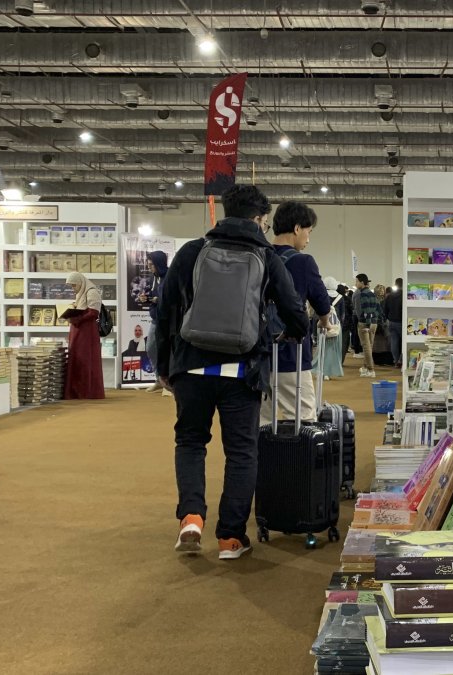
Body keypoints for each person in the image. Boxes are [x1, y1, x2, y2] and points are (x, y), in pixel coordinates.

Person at [156, 183, 307, 560]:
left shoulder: (193, 251)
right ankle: (230, 537)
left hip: (190, 367)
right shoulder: (266, 256)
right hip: (243, 369)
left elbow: (166, 312)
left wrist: (164, 367)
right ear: (261, 218)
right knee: (242, 452)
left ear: (225, 211)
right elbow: (295, 313)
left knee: (191, 443)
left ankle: (191, 516)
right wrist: (287, 332)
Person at [264, 201, 332, 425]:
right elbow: (322, 302)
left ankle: (264, 462)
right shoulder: (303, 262)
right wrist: (326, 322)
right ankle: (298, 461)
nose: (308, 239)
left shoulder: (258, 256)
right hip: (290, 354)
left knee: (261, 422)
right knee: (303, 419)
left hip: (257, 355)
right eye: (308, 231)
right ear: (296, 228)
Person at [64, 271, 104, 400]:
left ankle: (86, 391)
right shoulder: (81, 294)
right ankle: (77, 391)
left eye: (74, 285)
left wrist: (77, 319)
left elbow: (93, 312)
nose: (73, 288)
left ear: (81, 283)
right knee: (77, 358)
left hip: (86, 331)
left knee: (85, 358)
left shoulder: (91, 292)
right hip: (78, 330)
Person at [142, 251, 169, 393]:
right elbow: (153, 296)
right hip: (156, 319)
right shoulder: (153, 279)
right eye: (148, 264)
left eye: (152, 265)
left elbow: (174, 297)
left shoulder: (170, 276)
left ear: (159, 264)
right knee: (151, 348)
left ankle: (170, 383)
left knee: (169, 350)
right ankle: (159, 379)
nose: (149, 267)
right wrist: (146, 298)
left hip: (169, 320)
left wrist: (159, 300)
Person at [315, 276, 345, 380]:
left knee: (323, 348)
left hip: (323, 324)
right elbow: (342, 315)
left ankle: (322, 372)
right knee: (334, 349)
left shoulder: (322, 295)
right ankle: (331, 370)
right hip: (336, 326)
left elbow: (317, 311)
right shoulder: (340, 297)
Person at [352, 273, 381, 378]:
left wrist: (367, 325)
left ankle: (370, 369)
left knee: (366, 347)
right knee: (369, 346)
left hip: (365, 323)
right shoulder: (373, 294)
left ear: (361, 282)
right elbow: (379, 309)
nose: (355, 284)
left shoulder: (362, 294)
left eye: (356, 282)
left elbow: (364, 311)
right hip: (374, 323)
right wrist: (374, 321)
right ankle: (365, 367)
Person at [383, 277, 404, 368]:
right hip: (401, 322)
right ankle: (401, 360)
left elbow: (385, 310)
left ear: (395, 285)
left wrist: (388, 318)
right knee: (403, 342)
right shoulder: (404, 295)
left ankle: (396, 361)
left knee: (394, 342)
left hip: (391, 322)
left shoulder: (389, 296)